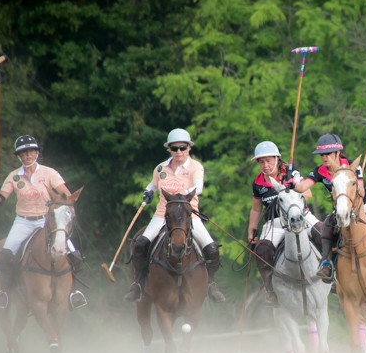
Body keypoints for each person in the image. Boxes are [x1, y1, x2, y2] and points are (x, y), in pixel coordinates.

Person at [124, 128, 226, 303]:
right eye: (174, 148)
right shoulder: (160, 168)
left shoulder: (195, 167)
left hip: (188, 216)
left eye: (182, 147)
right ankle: (138, 283)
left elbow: (199, 187)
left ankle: (211, 283)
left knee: (212, 249)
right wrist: (148, 192)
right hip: (163, 215)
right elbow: (152, 184)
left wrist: (182, 194)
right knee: (140, 244)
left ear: (189, 148)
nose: (179, 151)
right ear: (169, 149)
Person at [292, 134, 366, 283]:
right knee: (326, 226)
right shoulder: (320, 171)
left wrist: (354, 185)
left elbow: (361, 190)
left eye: (328, 153)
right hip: (341, 207)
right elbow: (302, 187)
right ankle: (327, 264)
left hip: (364, 203)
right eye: (322, 154)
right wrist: (291, 184)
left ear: (338, 152)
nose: (324, 157)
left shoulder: (352, 165)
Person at [0, 135, 86, 310]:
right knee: (5, 255)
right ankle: (4, 293)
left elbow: (66, 196)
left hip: (47, 221)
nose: (27, 155)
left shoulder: (49, 173)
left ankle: (73, 292)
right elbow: (0, 200)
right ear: (19, 156)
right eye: (23, 153)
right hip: (23, 222)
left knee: (74, 255)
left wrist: (65, 211)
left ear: (36, 153)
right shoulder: (14, 177)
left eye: (31, 152)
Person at [247, 141, 320, 304]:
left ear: (277, 159)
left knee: (323, 233)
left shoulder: (291, 173)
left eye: (268, 161)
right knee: (262, 251)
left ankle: (332, 275)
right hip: (275, 223)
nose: (265, 165)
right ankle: (270, 290)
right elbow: (256, 209)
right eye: (261, 162)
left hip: (301, 216)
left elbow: (308, 194)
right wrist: (252, 229)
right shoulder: (258, 183)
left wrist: (291, 188)